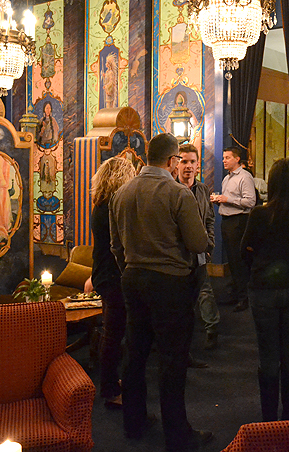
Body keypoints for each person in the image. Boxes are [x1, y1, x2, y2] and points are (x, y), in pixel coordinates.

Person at [110, 133, 212, 451]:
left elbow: (116, 247)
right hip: (170, 283)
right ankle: (178, 435)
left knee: (135, 353)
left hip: (132, 278)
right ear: (172, 161)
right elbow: (198, 243)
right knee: (172, 359)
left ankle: (134, 422)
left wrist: (130, 268)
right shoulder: (178, 193)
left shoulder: (122, 193)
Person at [240, 159, 289, 422]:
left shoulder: (260, 214)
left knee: (268, 355)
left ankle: (269, 419)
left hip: (264, 290)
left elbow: (244, 251)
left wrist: (260, 265)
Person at [89, 156, 136, 409]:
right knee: (114, 334)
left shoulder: (101, 204)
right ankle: (109, 389)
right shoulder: (114, 206)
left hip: (103, 273)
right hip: (113, 276)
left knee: (112, 332)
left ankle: (111, 382)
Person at [178, 143, 220, 351]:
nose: (188, 166)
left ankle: (212, 330)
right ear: (176, 164)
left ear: (197, 165)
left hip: (200, 250)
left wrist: (209, 243)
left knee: (204, 290)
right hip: (177, 252)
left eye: (192, 162)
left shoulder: (202, 189)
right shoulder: (171, 189)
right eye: (184, 161)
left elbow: (209, 219)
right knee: (179, 294)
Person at [211, 146, 256, 312]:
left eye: (227, 157)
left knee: (239, 261)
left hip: (238, 222)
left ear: (237, 159)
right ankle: (237, 293)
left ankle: (244, 298)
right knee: (232, 260)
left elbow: (250, 202)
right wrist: (220, 201)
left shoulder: (245, 177)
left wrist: (227, 199)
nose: (224, 160)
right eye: (223, 158)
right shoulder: (226, 179)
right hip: (227, 221)